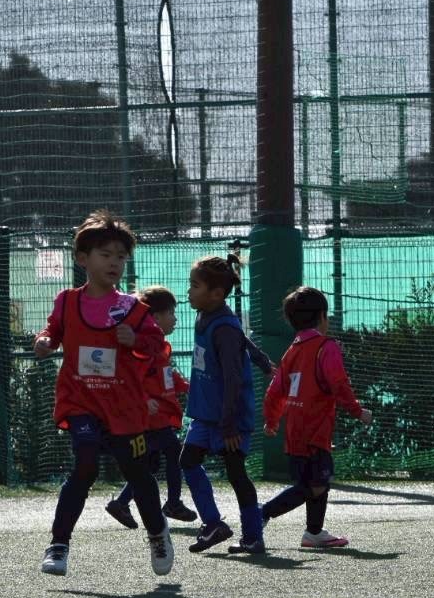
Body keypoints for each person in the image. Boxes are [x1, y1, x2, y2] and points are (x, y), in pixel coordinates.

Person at [34, 210, 173, 578]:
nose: (114, 262)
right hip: (81, 400)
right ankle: (58, 544)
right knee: (85, 464)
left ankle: (157, 533)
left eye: (120, 256)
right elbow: (53, 330)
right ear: (83, 259)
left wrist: (136, 340)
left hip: (123, 406)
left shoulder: (133, 309)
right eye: (105, 254)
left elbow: (157, 346)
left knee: (136, 472)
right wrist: (45, 341)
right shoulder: (67, 300)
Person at [261, 286, 372, 549]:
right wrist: (358, 411)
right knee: (316, 484)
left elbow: (274, 391)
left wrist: (272, 420)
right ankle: (262, 513)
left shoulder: (292, 350)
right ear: (323, 316)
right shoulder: (326, 346)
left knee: (312, 482)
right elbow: (338, 383)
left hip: (295, 431)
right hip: (315, 431)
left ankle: (314, 532)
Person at [179, 254, 274, 555]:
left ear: (216, 294)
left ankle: (253, 536)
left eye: (195, 286)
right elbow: (243, 339)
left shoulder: (223, 328)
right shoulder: (208, 316)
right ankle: (213, 524)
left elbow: (233, 378)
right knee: (188, 461)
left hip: (228, 417)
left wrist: (229, 423)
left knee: (236, 473)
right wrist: (261, 359)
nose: (189, 291)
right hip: (206, 414)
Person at [104, 285, 196, 527]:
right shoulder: (144, 348)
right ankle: (173, 503)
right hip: (150, 418)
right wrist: (144, 400)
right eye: (171, 313)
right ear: (154, 317)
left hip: (157, 416)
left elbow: (166, 375)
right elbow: (131, 377)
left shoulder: (159, 347)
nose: (175, 319)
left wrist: (186, 386)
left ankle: (121, 503)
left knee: (149, 464)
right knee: (175, 451)